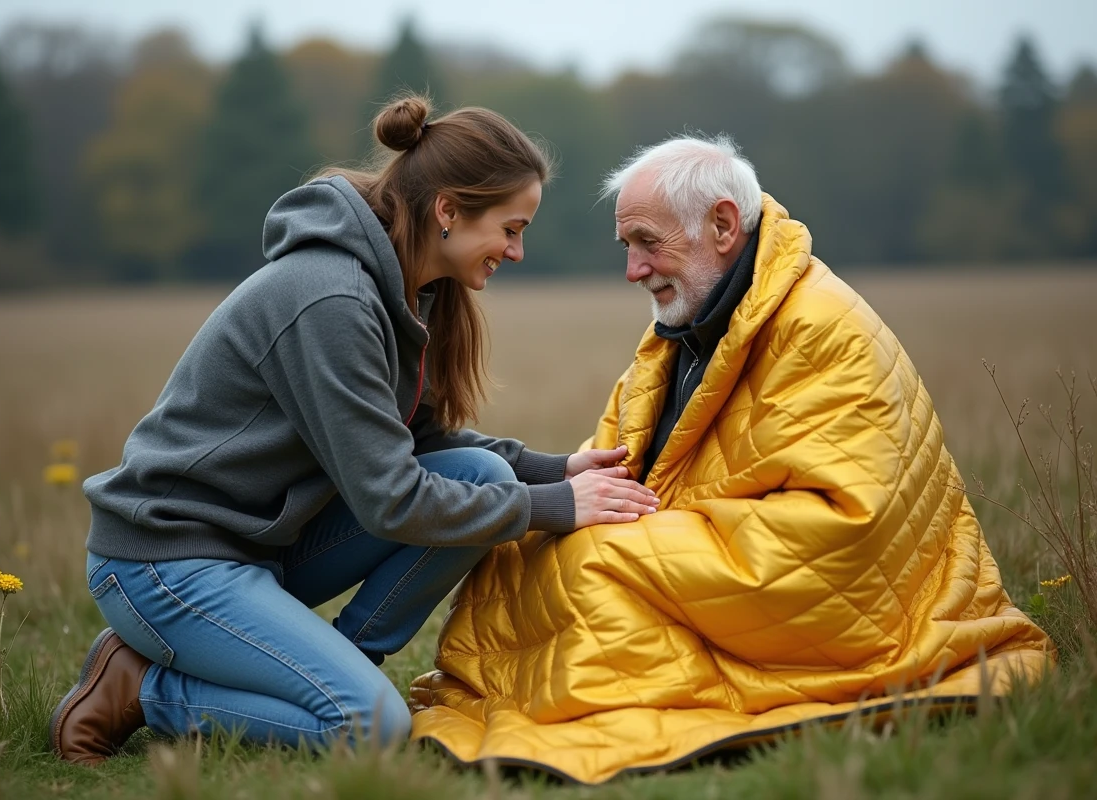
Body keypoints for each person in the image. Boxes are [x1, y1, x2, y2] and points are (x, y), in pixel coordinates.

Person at [407, 134, 1053, 785]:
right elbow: (621, 464)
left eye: (647, 243)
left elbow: (851, 525)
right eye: (625, 246)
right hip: (719, 548)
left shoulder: (821, 330)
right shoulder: (687, 324)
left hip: (840, 582)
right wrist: (572, 501)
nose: (633, 270)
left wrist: (642, 536)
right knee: (519, 549)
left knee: (592, 564)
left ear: (722, 225)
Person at [49, 95, 660, 765]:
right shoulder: (330, 296)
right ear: (448, 212)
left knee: (482, 477)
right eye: (510, 229)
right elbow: (391, 498)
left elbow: (423, 446)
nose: (516, 252)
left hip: (258, 545)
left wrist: (551, 471)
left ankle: (346, 664)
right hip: (167, 559)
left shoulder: (410, 289)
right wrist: (551, 508)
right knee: (370, 729)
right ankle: (142, 687)